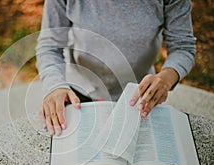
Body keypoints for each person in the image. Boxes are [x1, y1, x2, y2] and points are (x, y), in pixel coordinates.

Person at [36, 0, 196, 136]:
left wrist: (165, 80)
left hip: (140, 95)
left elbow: (183, 47)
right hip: (78, 94)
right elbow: (49, 46)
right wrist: (54, 85)